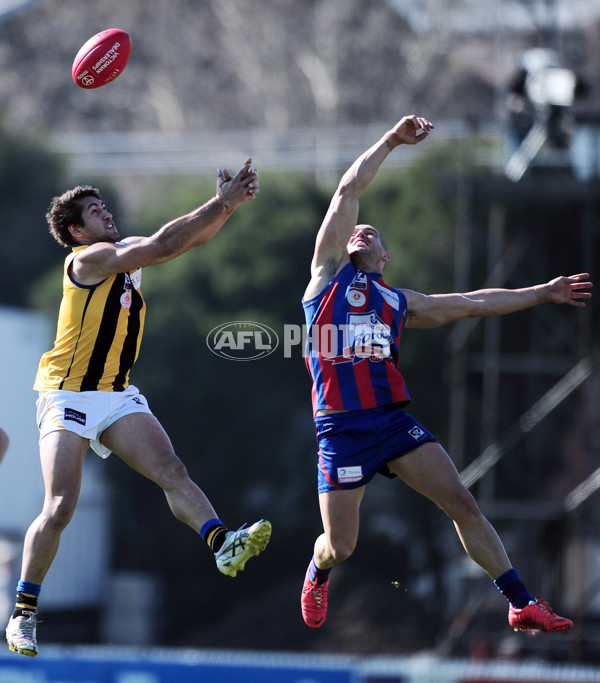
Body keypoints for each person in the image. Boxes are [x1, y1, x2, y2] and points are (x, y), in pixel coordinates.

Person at [300, 115, 592, 633]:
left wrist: (540, 293)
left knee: (461, 500)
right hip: (340, 431)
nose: (362, 231)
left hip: (392, 423)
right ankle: (317, 570)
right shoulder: (324, 279)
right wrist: (391, 140)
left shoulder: (399, 302)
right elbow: (349, 188)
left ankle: (520, 601)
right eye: (357, 229)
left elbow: (474, 303)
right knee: (341, 546)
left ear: (384, 257)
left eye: (373, 235)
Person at [6, 159, 272, 657]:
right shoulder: (86, 261)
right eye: (94, 211)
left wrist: (226, 207)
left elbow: (187, 241)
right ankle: (22, 614)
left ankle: (222, 544)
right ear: (75, 231)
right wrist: (223, 202)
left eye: (104, 206)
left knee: (172, 469)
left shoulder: (125, 254)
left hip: (114, 392)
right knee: (61, 505)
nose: (105, 213)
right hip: (66, 394)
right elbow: (169, 243)